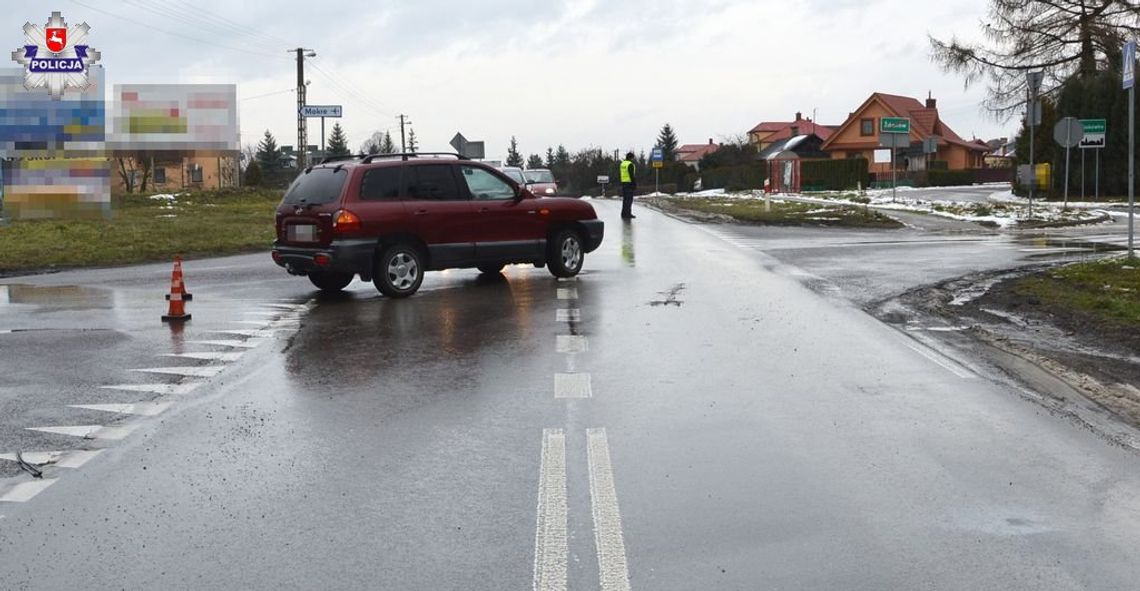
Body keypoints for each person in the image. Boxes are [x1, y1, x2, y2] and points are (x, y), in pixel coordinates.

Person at [619, 151, 636, 220]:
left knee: (625, 199)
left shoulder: (622, 164)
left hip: (623, 183)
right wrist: (634, 184)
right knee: (629, 200)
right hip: (629, 183)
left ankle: (623, 214)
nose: (633, 159)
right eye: (633, 158)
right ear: (631, 158)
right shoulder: (630, 164)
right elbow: (631, 175)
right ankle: (628, 214)